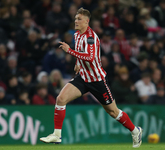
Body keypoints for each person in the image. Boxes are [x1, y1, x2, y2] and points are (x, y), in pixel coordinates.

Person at [40, 8, 142, 148]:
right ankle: (56, 135)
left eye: (79, 19)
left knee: (113, 111)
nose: (76, 21)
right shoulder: (77, 35)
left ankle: (135, 131)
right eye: (76, 18)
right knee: (61, 99)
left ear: (87, 21)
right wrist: (77, 63)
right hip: (83, 77)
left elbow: (90, 57)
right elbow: (81, 53)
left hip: (97, 80)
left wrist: (69, 51)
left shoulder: (91, 37)